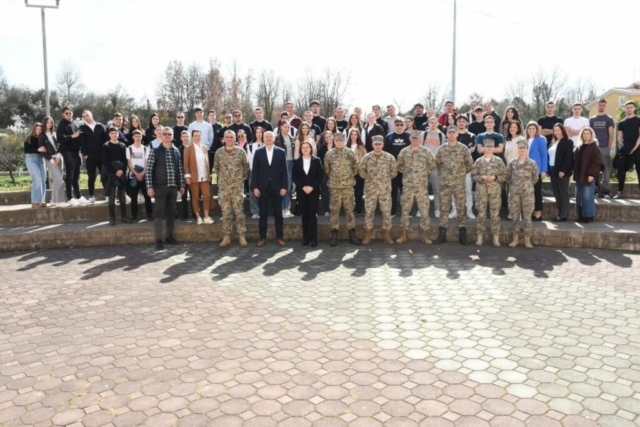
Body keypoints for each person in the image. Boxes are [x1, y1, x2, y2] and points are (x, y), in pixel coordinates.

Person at [146, 127, 185, 250]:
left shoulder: (176, 151)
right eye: (165, 134)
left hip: (173, 187)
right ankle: (158, 240)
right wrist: (149, 186)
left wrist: (181, 184)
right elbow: (149, 170)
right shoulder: (155, 151)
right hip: (160, 187)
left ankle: (169, 236)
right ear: (161, 136)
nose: (167, 136)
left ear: (173, 136)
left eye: (169, 134)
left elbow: (180, 169)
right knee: (159, 214)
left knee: (171, 213)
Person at [434, 126, 474, 245]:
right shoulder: (441, 149)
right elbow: (437, 164)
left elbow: (470, 164)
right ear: (446, 134)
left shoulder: (463, 148)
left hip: (458, 184)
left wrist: (459, 174)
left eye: (453, 132)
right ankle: (442, 234)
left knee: (461, 208)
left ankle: (462, 234)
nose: (451, 134)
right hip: (445, 184)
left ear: (457, 134)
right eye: (449, 132)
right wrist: (444, 175)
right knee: (444, 208)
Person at [396, 130, 436, 244]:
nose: (415, 140)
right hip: (408, 186)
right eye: (413, 138)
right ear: (410, 139)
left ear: (420, 139)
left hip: (421, 186)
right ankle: (403, 235)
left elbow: (432, 165)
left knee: (424, 211)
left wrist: (422, 173)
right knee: (405, 210)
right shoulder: (404, 151)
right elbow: (399, 166)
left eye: (417, 138)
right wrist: (409, 173)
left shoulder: (426, 151)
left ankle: (425, 235)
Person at [251, 131, 288, 247]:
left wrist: (285, 187)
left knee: (278, 214)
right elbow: (255, 171)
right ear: (263, 138)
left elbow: (285, 171)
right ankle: (262, 238)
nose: (268, 138)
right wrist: (254, 187)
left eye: (270, 136)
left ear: (274, 139)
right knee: (263, 214)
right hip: (262, 187)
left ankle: (279, 237)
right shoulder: (258, 152)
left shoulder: (281, 152)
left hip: (277, 187)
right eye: (266, 136)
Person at [324, 132, 361, 246]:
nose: (339, 142)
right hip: (335, 188)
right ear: (334, 141)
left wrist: (347, 178)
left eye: (341, 140)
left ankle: (352, 235)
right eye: (337, 140)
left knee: (350, 211)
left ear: (344, 141)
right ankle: (334, 235)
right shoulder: (329, 154)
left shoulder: (350, 153)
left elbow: (356, 168)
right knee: (334, 211)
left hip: (348, 187)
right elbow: (327, 170)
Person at [359, 135, 397, 245]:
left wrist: (384, 180)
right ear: (372, 145)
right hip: (371, 190)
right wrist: (371, 179)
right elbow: (361, 171)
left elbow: (394, 172)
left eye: (379, 144)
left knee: (386, 212)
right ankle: (368, 235)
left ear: (383, 145)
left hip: (385, 190)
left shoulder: (389, 157)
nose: (378, 146)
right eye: (376, 144)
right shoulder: (366, 158)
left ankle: (387, 235)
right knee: (369, 212)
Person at [214, 130, 250, 247]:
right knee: (226, 214)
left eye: (231, 137)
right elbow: (215, 168)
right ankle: (227, 237)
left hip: (237, 188)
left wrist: (241, 177)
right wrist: (218, 182)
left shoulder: (241, 151)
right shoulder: (219, 152)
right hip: (224, 188)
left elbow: (246, 166)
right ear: (223, 139)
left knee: (239, 213)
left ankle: (242, 236)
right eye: (227, 137)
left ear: (235, 139)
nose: (229, 139)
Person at [472, 139, 507, 247]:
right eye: (487, 147)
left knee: (495, 215)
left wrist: (495, 177)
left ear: (493, 148)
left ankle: (496, 237)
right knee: (481, 215)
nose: (489, 149)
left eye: (491, 147)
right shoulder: (478, 161)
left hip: (494, 192)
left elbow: (504, 176)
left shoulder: (499, 161)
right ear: (484, 148)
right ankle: (480, 236)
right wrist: (482, 177)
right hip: (481, 192)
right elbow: (473, 176)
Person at [507, 140, 539, 249]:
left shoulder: (532, 163)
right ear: (518, 149)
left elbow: (535, 178)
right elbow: (508, 177)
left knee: (527, 217)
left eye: (524, 148)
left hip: (527, 194)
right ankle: (515, 239)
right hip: (514, 193)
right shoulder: (512, 163)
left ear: (527, 149)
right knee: (515, 216)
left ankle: (527, 239)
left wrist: (526, 185)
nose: (522, 150)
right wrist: (516, 185)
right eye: (520, 148)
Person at [292, 140, 323, 247]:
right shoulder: (297, 162)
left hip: (313, 191)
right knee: (304, 215)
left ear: (311, 149)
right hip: (302, 192)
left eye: (307, 147)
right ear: (300, 150)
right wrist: (302, 187)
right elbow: (294, 177)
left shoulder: (317, 160)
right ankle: (305, 238)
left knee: (312, 215)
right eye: (303, 147)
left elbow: (320, 176)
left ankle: (313, 238)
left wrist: (312, 187)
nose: (305, 149)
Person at [574, 127, 605, 223]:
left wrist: (592, 174)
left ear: (591, 135)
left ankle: (588, 216)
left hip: (588, 175)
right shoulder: (579, 147)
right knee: (579, 196)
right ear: (581, 135)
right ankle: (581, 215)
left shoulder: (594, 147)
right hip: (579, 175)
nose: (586, 135)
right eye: (584, 134)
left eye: (588, 133)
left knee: (587, 196)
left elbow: (598, 162)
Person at [101, 127, 131, 226]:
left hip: (121, 173)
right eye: (112, 133)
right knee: (112, 197)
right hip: (110, 174)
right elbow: (105, 161)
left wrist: (121, 170)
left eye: (116, 133)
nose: (114, 134)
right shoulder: (105, 146)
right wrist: (115, 171)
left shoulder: (122, 145)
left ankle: (124, 217)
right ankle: (112, 218)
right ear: (109, 134)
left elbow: (125, 160)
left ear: (118, 134)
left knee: (122, 197)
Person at [184, 129, 214, 225]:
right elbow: (186, 164)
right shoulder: (188, 148)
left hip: (204, 176)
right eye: (195, 135)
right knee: (195, 197)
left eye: (199, 135)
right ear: (192, 137)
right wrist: (187, 176)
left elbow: (207, 163)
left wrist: (210, 176)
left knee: (207, 196)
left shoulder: (204, 147)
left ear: (201, 136)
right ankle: (198, 217)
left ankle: (206, 216)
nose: (197, 137)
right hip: (193, 177)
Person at [57, 107, 85, 206]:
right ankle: (70, 197)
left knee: (76, 176)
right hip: (68, 153)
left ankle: (78, 196)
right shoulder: (62, 125)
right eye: (66, 113)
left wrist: (82, 151)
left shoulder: (74, 124)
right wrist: (72, 136)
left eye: (70, 113)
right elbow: (60, 139)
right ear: (63, 114)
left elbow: (79, 138)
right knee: (70, 176)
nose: (69, 115)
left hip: (77, 153)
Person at [80, 110, 107, 204]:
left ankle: (108, 195)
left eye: (87, 115)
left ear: (91, 115)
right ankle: (91, 195)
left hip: (101, 155)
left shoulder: (101, 126)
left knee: (104, 176)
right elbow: (82, 142)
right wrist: (85, 153)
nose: (86, 117)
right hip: (90, 156)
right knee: (91, 176)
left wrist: (105, 154)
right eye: (84, 116)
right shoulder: (82, 128)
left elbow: (105, 140)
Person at [614, 101, 640, 199]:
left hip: (638, 148)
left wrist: (634, 148)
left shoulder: (638, 120)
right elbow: (620, 137)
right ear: (625, 109)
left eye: (631, 107)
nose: (629, 109)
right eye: (627, 107)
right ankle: (620, 192)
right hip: (626, 148)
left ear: (634, 108)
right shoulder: (621, 122)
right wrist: (622, 146)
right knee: (621, 171)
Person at [385, 118, 411, 217]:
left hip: (405, 168)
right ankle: (393, 211)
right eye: (397, 125)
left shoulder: (408, 136)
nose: (399, 127)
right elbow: (386, 152)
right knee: (393, 190)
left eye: (401, 124)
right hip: (393, 168)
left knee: (405, 190)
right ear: (394, 126)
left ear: (404, 125)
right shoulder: (389, 137)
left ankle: (406, 212)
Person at [39, 116, 67, 207]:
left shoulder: (54, 134)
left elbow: (60, 146)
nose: (50, 124)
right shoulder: (41, 136)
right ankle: (60, 201)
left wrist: (58, 156)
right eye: (48, 122)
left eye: (51, 122)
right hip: (50, 159)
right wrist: (51, 160)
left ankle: (54, 200)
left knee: (56, 180)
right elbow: (43, 151)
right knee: (59, 179)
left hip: (59, 158)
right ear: (44, 123)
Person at [589, 99, 615, 198]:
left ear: (605, 106)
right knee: (594, 170)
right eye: (600, 105)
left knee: (606, 170)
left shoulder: (609, 119)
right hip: (594, 148)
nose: (601, 106)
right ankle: (596, 190)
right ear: (597, 105)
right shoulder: (592, 119)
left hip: (605, 147)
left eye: (603, 105)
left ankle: (606, 191)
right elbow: (589, 134)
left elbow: (611, 135)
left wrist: (609, 147)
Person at [548, 124, 573, 222]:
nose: (556, 132)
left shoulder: (568, 142)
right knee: (557, 193)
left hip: (562, 171)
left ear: (562, 130)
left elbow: (568, 158)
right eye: (555, 130)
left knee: (563, 193)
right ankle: (559, 213)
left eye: (558, 130)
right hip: (553, 170)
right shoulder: (553, 142)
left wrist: (563, 170)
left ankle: (564, 215)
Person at [126, 130, 152, 222]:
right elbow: (129, 163)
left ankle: (149, 215)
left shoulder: (145, 148)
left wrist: (142, 173)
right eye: (136, 136)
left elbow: (147, 162)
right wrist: (136, 174)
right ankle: (134, 216)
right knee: (134, 197)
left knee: (147, 196)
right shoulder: (129, 149)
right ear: (133, 137)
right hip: (133, 175)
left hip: (144, 175)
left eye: (139, 136)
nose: (138, 138)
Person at [525, 121, 549, 221]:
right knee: (528, 192)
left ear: (536, 130)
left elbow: (544, 155)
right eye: (529, 129)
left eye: (533, 129)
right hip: (526, 170)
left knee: (537, 191)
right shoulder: (525, 140)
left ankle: (538, 213)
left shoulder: (540, 140)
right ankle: (530, 212)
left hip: (537, 170)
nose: (531, 130)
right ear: (527, 130)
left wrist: (544, 170)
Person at [423, 117, 445, 217]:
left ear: (437, 124)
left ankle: (437, 209)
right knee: (422, 189)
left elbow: (443, 151)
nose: (433, 124)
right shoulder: (423, 135)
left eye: (435, 122)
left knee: (436, 189)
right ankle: (422, 209)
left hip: (435, 166)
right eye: (431, 122)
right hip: (424, 165)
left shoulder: (441, 135)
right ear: (428, 123)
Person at [456, 115, 477, 219]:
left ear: (467, 123)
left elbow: (471, 149)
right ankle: (455, 210)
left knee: (468, 190)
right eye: (459, 121)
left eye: (463, 121)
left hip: (467, 167)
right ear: (456, 123)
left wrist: (457, 151)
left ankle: (469, 210)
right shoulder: (452, 134)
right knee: (455, 190)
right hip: (454, 167)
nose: (461, 123)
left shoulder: (471, 136)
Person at [275, 121, 295, 218]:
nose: (287, 129)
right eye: (285, 127)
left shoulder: (292, 138)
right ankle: (283, 209)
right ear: (281, 127)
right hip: (281, 165)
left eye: (288, 127)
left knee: (288, 187)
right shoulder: (277, 139)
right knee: (283, 187)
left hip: (291, 163)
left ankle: (286, 208)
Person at [24, 123, 47, 208]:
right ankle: (35, 202)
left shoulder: (43, 138)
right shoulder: (29, 138)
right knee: (37, 178)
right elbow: (26, 150)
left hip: (41, 160)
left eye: (40, 129)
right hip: (31, 159)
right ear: (34, 129)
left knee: (43, 179)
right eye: (37, 129)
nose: (39, 131)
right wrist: (38, 149)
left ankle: (41, 200)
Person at [347, 128, 367, 215]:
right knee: (349, 192)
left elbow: (366, 160)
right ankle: (349, 209)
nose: (353, 136)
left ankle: (358, 209)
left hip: (359, 173)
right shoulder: (346, 147)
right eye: (352, 134)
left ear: (358, 136)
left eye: (355, 134)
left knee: (358, 192)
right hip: (348, 173)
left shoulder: (362, 148)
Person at [246, 127, 265, 219]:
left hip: (265, 172)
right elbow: (250, 160)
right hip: (253, 172)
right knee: (253, 192)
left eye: (260, 132)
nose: (259, 134)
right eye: (257, 132)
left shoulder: (266, 145)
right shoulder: (250, 146)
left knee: (264, 192)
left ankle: (263, 211)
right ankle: (255, 211)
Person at [317, 131, 334, 217]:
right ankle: (326, 210)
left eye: (329, 136)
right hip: (325, 173)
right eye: (326, 137)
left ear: (332, 136)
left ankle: (334, 210)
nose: (328, 138)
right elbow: (319, 163)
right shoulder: (321, 149)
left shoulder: (337, 147)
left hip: (336, 174)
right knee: (324, 192)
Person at [177, 130, 192, 220]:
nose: (185, 138)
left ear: (189, 138)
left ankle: (194, 213)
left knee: (194, 195)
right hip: (182, 175)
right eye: (184, 137)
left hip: (192, 175)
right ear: (181, 138)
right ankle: (184, 214)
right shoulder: (178, 149)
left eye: (187, 136)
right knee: (183, 195)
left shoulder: (193, 148)